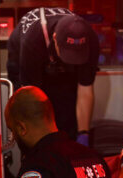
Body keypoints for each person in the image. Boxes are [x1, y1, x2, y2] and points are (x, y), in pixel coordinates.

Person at [7, 7, 100, 145]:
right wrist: (40, 144)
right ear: (55, 39)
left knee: (68, 118)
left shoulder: (90, 39)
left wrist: (83, 134)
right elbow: (31, 98)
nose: (72, 59)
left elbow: (85, 89)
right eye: (68, 54)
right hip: (25, 57)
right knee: (35, 127)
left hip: (57, 63)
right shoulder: (33, 40)